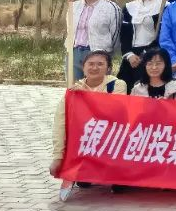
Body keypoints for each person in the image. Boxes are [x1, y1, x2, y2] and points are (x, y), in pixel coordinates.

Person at [50, 51, 127, 185]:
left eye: (100, 64)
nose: (95, 68)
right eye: (90, 64)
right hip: (85, 142)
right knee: (83, 183)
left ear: (108, 68)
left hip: (111, 140)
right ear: (83, 67)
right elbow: (60, 123)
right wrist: (58, 157)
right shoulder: (74, 91)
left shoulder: (117, 85)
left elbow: (115, 111)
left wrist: (86, 95)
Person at [69, 0, 122, 80]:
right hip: (74, 53)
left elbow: (116, 35)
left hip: (98, 55)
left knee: (96, 87)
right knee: (75, 86)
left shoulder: (112, 8)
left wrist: (107, 55)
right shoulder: (73, 6)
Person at [118, 0, 165, 89]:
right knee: (124, 88)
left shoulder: (165, 6)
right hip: (131, 55)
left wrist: (145, 54)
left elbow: (163, 35)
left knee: (146, 90)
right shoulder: (129, 7)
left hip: (153, 55)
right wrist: (129, 55)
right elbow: (124, 34)